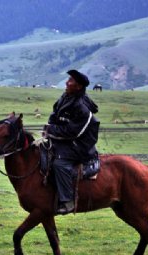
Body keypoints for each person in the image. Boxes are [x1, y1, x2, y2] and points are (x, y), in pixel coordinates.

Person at [44, 69, 100, 215]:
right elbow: (54, 114)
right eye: (68, 80)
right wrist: (50, 127)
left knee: (59, 163)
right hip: (65, 140)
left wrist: (50, 130)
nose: (67, 83)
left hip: (80, 145)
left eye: (70, 81)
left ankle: (67, 201)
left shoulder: (81, 107)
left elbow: (73, 132)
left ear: (79, 86)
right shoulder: (66, 97)